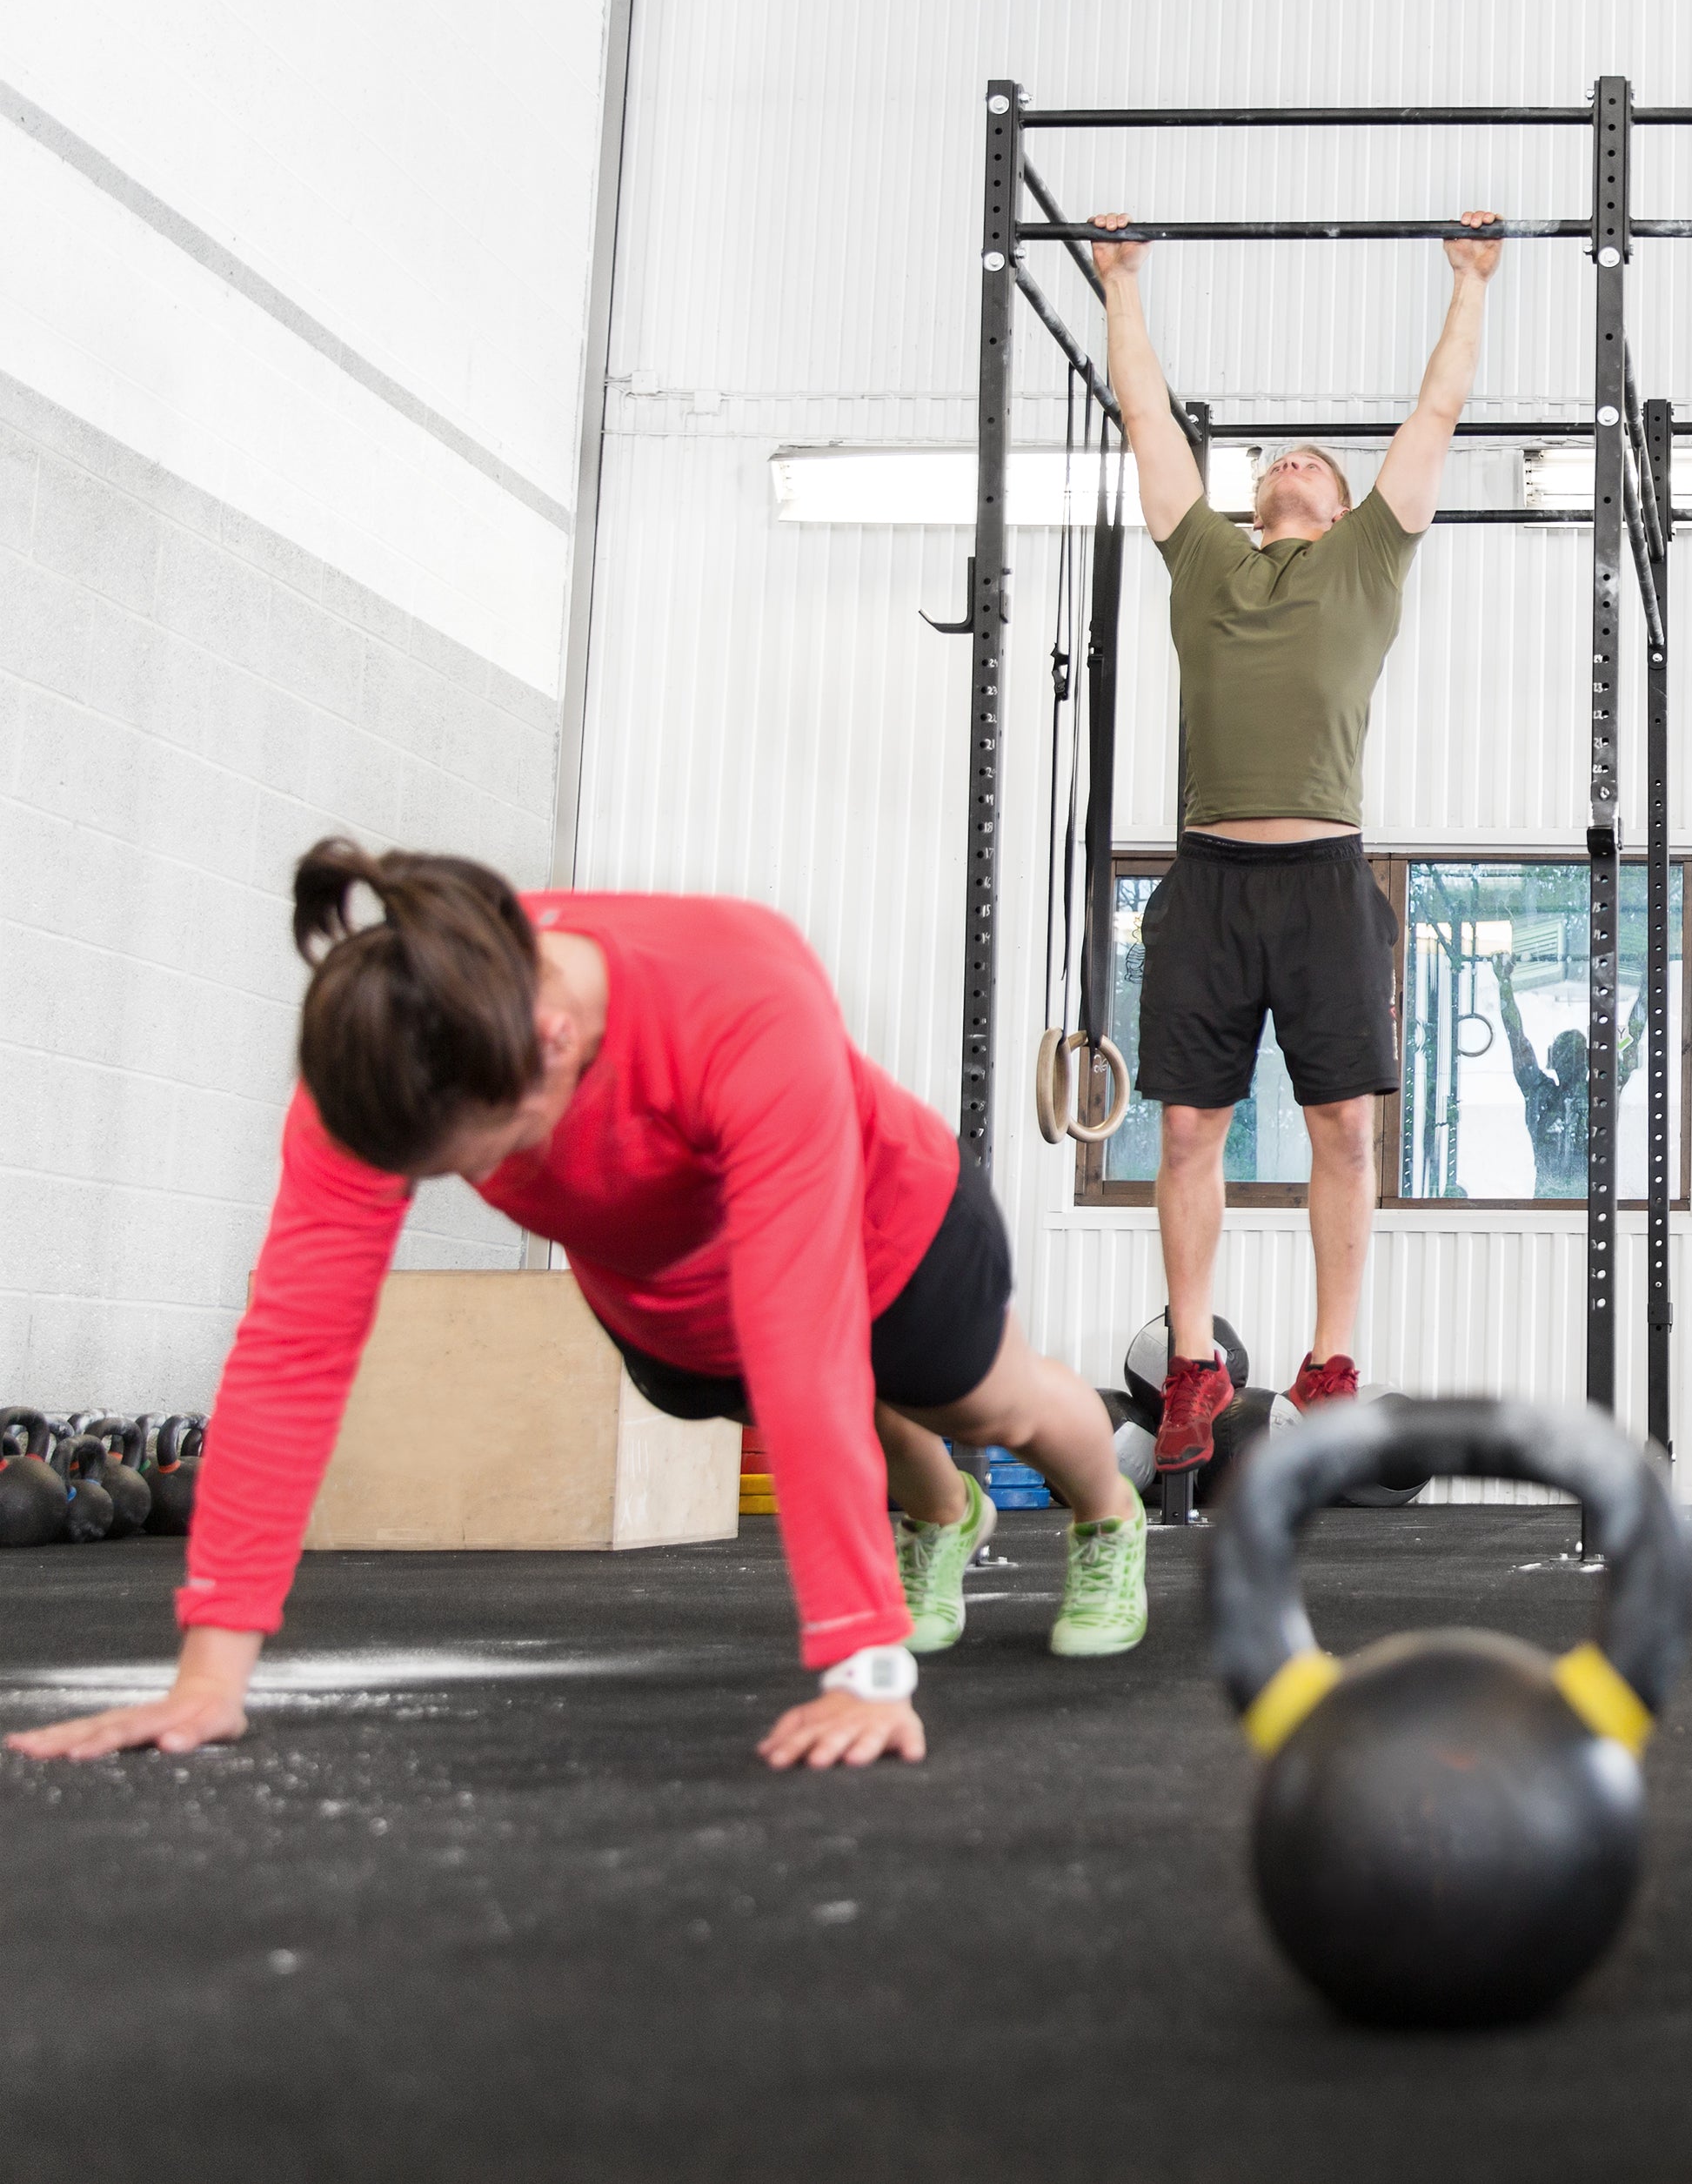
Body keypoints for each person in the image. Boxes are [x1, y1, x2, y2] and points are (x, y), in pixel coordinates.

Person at [7, 844, 1144, 1776]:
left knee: (986, 1404)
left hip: (889, 1231)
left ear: (552, 1045)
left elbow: (805, 1334)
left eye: (478, 1159)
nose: (464, 1182)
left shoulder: (736, 992)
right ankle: (939, 1519)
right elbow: (294, 1348)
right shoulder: (383, 1054)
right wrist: (209, 1675)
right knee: (808, 1396)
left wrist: (865, 1663)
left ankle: (1107, 1517)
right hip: (677, 1309)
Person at [1091, 210, 1499, 1459]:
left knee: (1342, 1125)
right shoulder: (1204, 557)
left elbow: (1430, 420)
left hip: (1325, 875)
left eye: (1314, 461)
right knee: (1188, 1128)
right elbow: (1149, 419)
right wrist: (1120, 282)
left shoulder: (1371, 558)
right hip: (1209, 877)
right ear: (1255, 491)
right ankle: (1196, 1365)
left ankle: (1329, 1361)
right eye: (1278, 457)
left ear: (1337, 497)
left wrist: (1470, 283)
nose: (1294, 463)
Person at [1493, 955, 1642, 1198]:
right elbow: (1516, 1038)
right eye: (1567, 1055)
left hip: (1578, 1199)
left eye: (1573, 1054)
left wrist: (1504, 983)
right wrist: (1504, 984)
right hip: (1560, 1199)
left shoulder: (1577, 1094)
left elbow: (1517, 1039)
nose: (1571, 1062)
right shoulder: (1553, 1093)